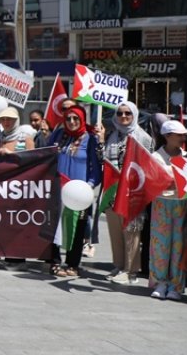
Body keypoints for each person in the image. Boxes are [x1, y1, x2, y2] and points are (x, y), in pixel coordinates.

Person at [103, 101, 152, 285]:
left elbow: (147, 165)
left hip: (132, 191)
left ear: (134, 115)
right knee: (115, 230)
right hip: (113, 191)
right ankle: (119, 264)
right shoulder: (112, 135)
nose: (123, 117)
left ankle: (130, 270)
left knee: (131, 231)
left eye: (127, 114)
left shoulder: (142, 137)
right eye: (120, 113)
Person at [50, 105, 101, 278]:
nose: (72, 122)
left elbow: (97, 169)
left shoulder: (91, 139)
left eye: (76, 119)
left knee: (78, 228)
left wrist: (89, 186)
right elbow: (46, 155)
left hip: (79, 193)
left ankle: (73, 264)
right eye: (69, 118)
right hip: (58, 190)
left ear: (82, 120)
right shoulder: (59, 135)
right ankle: (55, 262)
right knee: (55, 226)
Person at [149, 120, 187, 301]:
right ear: (167, 136)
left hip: (181, 203)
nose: (182, 138)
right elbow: (157, 180)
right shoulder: (155, 157)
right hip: (161, 203)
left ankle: (176, 285)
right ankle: (160, 282)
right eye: (179, 135)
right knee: (161, 244)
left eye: (183, 135)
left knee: (178, 244)